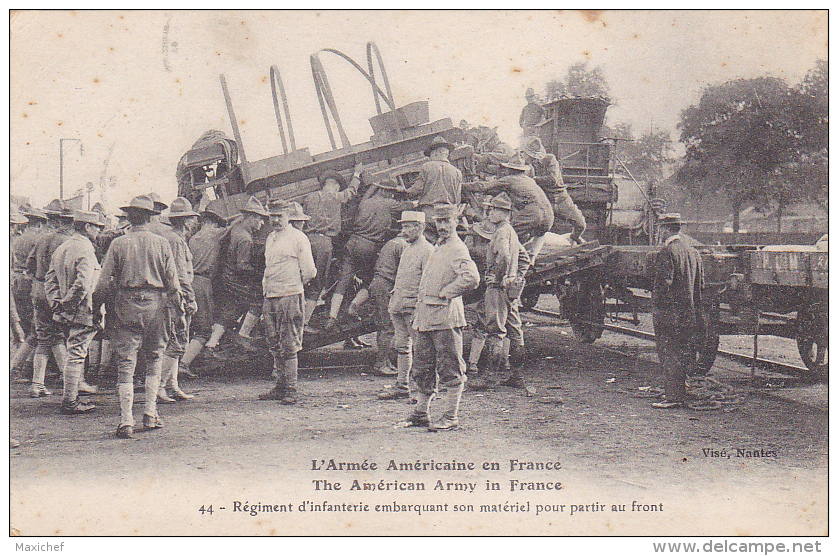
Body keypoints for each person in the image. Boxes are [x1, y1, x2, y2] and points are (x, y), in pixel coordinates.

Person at [95, 195, 181, 439]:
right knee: (154, 358)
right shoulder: (161, 243)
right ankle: (150, 414)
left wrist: (95, 307)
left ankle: (126, 421)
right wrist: (177, 310)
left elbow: (103, 282)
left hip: (125, 305)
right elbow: (173, 283)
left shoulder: (119, 244)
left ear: (130, 218)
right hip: (156, 305)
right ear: (150, 217)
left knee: (126, 362)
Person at [400, 203, 479, 431]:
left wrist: (447, 293)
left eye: (447, 221)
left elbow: (471, 278)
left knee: (450, 367)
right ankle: (421, 413)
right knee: (423, 366)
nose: (443, 226)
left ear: (456, 222)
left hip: (445, 318)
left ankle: (450, 416)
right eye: (439, 221)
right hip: (426, 317)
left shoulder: (457, 248)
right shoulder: (439, 245)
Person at [44, 210, 106, 414]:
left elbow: (50, 279)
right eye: (96, 226)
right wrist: (69, 303)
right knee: (77, 354)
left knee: (74, 352)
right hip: (83, 310)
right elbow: (83, 283)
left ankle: (71, 398)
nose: (98, 230)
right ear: (87, 227)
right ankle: (70, 401)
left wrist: (57, 303)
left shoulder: (63, 247)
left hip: (66, 310)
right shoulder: (84, 248)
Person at [258, 199, 316, 405]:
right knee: (274, 343)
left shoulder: (298, 238)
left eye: (279, 216)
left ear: (288, 216)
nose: (275, 220)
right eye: (272, 216)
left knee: (289, 343)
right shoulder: (271, 238)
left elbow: (309, 271)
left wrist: (293, 286)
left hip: (290, 295)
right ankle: (280, 386)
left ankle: (291, 389)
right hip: (271, 295)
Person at [325, 178, 402, 331]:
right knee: (372, 280)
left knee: (343, 280)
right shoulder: (389, 204)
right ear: (386, 191)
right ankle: (354, 305)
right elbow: (410, 205)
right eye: (392, 193)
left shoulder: (365, 201)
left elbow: (372, 189)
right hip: (368, 247)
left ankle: (332, 317)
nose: (393, 196)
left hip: (352, 243)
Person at [650, 213, 706, 409]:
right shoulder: (693, 252)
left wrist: (658, 311)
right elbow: (701, 286)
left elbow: (663, 286)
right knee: (683, 353)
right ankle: (680, 391)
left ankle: (673, 397)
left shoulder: (667, 252)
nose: (659, 232)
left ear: (665, 230)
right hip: (688, 314)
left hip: (670, 315)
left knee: (669, 354)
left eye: (660, 229)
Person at [380, 211, 434, 401]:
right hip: (400, 305)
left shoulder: (427, 250)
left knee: (422, 350)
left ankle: (425, 391)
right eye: (403, 227)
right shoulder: (407, 248)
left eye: (408, 227)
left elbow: (428, 282)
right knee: (403, 347)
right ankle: (402, 386)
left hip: (414, 307)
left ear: (420, 227)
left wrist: (421, 307)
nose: (404, 231)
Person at [469, 193, 521, 390]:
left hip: (498, 288)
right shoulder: (511, 231)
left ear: (503, 213)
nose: (490, 212)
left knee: (496, 331)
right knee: (514, 330)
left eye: (494, 209)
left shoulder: (500, 232)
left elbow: (505, 257)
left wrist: (498, 278)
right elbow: (518, 257)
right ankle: (516, 376)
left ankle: (490, 378)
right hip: (511, 287)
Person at [302, 164, 362, 325]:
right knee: (317, 283)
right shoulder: (336, 197)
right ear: (334, 186)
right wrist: (356, 174)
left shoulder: (309, 197)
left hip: (307, 241)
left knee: (303, 279)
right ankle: (304, 323)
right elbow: (351, 192)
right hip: (323, 244)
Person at [26, 200, 75, 398]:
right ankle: (70, 381)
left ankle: (39, 383)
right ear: (71, 223)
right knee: (59, 336)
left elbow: (30, 264)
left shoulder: (42, 238)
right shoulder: (67, 242)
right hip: (55, 292)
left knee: (46, 337)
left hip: (38, 289)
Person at [208, 196, 268, 354]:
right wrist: (259, 274)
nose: (262, 224)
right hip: (235, 279)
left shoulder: (236, 229)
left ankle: (211, 343)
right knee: (259, 300)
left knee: (231, 309)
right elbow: (242, 266)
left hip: (226, 277)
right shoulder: (245, 239)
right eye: (260, 220)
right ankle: (243, 334)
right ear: (252, 218)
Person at [467, 161, 554, 264]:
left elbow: (483, 187)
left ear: (509, 170)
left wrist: (463, 186)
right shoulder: (529, 181)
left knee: (507, 234)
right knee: (538, 233)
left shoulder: (510, 179)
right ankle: (532, 256)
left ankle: (509, 262)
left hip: (532, 214)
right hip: (549, 215)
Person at [157, 198, 200, 404]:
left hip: (174, 295)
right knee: (177, 341)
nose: (193, 221)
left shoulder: (175, 238)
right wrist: (189, 298)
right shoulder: (175, 240)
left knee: (175, 341)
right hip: (178, 296)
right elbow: (180, 274)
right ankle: (159, 386)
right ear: (185, 221)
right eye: (190, 218)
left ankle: (171, 386)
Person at [181, 201, 228, 374]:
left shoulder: (194, 237)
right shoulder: (216, 234)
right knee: (204, 328)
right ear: (215, 222)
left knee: (187, 324)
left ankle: (179, 361)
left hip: (190, 280)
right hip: (203, 283)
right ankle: (184, 364)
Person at [521, 136, 586, 244]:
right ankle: (524, 248)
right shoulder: (527, 165)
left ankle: (575, 237)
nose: (530, 159)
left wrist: (533, 179)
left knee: (580, 224)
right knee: (539, 228)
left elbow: (553, 180)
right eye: (529, 156)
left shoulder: (550, 159)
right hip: (546, 200)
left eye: (532, 156)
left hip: (561, 198)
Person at [10, 206, 46, 379]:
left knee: (25, 326)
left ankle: (19, 365)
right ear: (39, 224)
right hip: (30, 284)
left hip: (16, 284)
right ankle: (22, 367)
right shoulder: (38, 240)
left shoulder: (18, 239)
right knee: (35, 328)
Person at [405, 136, 462, 241]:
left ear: (435, 153)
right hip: (448, 214)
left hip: (429, 213)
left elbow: (417, 189)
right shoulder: (457, 172)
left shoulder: (426, 167)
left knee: (428, 244)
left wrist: (404, 191)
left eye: (430, 154)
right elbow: (457, 199)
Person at [368, 231, 408, 377]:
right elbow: (405, 271)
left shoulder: (392, 243)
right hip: (385, 284)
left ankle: (384, 362)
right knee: (388, 326)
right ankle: (381, 364)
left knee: (383, 326)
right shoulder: (403, 245)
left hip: (378, 283)